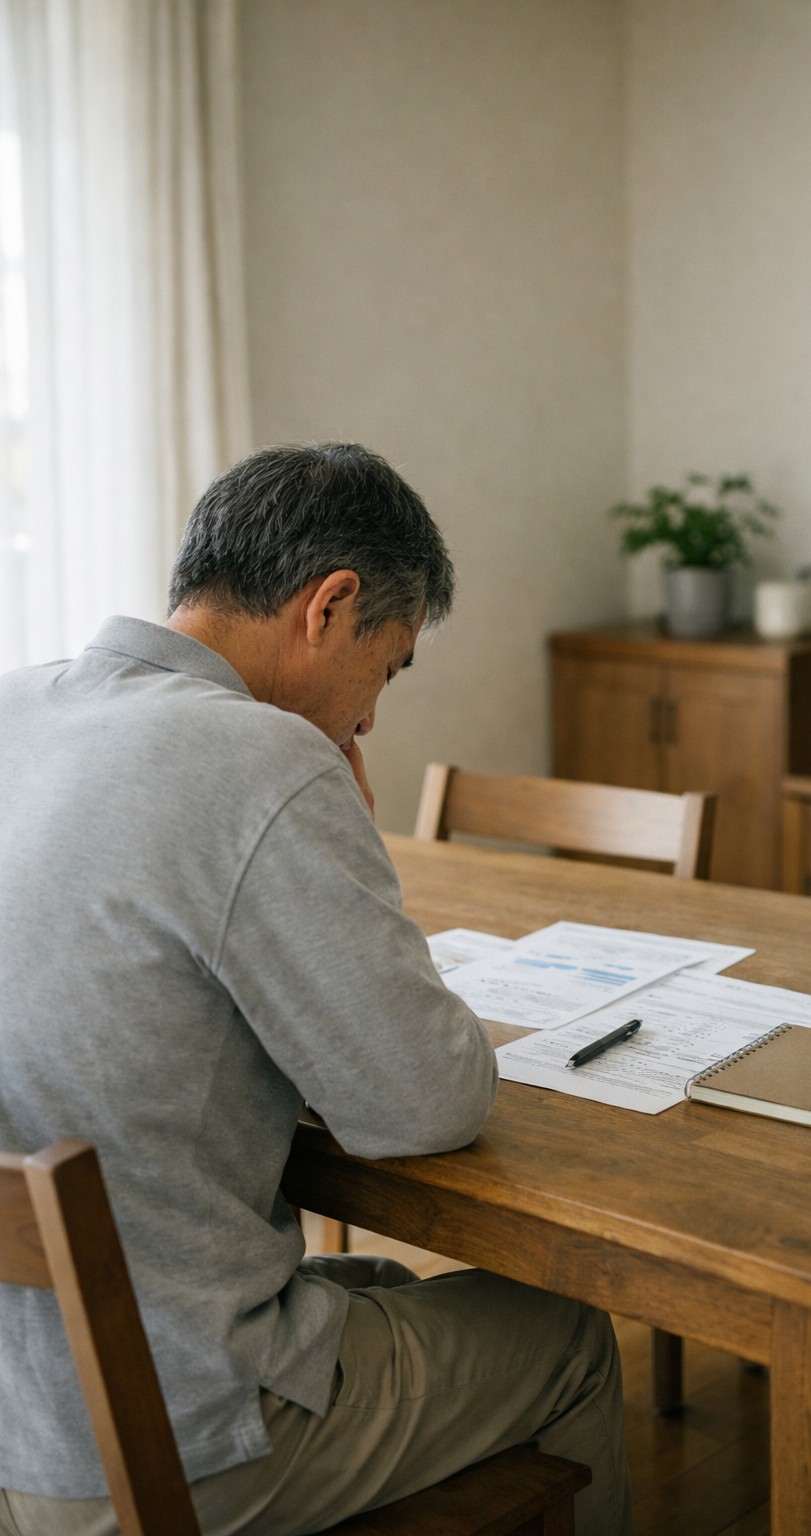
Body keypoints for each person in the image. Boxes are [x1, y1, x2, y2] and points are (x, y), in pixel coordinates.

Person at [0, 443, 633, 1536]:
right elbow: (425, 1104)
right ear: (329, 606)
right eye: (387, 667)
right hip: (149, 1444)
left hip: (19, 1406)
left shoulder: (20, 706)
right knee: (566, 1333)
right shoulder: (259, 758)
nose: (373, 717)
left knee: (384, 1291)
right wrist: (340, 822)